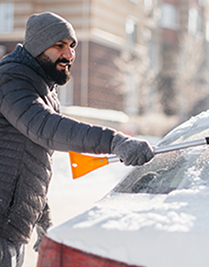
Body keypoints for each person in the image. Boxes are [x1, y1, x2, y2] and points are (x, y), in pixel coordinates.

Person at [0, 12, 154, 266]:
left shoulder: (43, 88)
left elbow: (27, 162)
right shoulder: (11, 79)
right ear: (38, 46)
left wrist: (41, 216)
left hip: (11, 229)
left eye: (72, 46)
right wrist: (115, 142)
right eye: (59, 45)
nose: (70, 54)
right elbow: (46, 129)